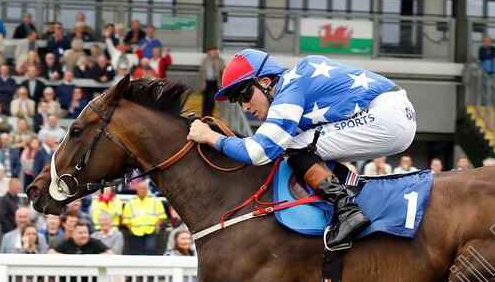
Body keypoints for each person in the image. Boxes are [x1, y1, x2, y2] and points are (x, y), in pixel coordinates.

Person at [187, 50, 417, 249]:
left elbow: (258, 152)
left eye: (245, 94)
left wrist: (209, 136)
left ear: (266, 82)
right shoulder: (295, 84)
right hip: (394, 115)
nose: (245, 106)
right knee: (299, 146)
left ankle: (347, 211)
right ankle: (353, 201)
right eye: (237, 100)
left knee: (294, 147)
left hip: (387, 116)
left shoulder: (290, 88)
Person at [122, 180, 167, 255]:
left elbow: (162, 216)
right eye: (140, 188)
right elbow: (125, 219)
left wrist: (156, 227)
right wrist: (132, 229)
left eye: (144, 188)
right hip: (136, 232)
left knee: (150, 250)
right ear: (137, 189)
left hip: (151, 231)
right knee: (137, 252)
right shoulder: (130, 203)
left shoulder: (155, 201)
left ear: (147, 189)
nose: (142, 190)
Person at [198, 46, 225, 117]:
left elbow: (223, 70)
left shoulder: (219, 60)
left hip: (214, 83)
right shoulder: (205, 60)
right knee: (205, 100)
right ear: (209, 52)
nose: (214, 53)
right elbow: (201, 73)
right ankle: (204, 116)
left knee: (211, 99)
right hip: (206, 82)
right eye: (213, 51)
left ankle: (209, 115)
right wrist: (200, 83)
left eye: (215, 51)